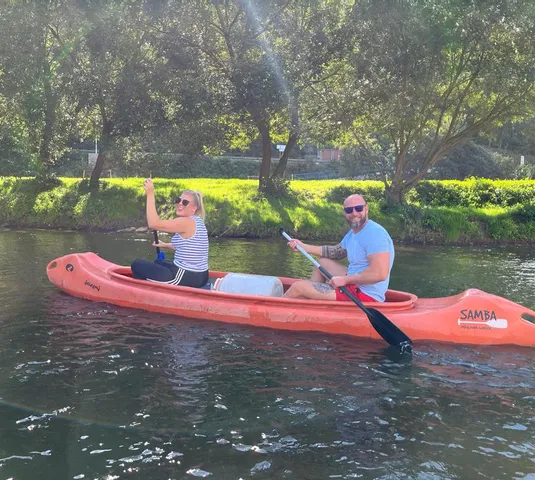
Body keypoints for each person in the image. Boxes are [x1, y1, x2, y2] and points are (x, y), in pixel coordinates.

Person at [284, 194, 394, 302]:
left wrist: (345, 280)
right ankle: (312, 303)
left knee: (298, 287)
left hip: (365, 294)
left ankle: (274, 309)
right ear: (345, 213)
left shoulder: (375, 234)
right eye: (349, 210)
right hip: (355, 283)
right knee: (322, 263)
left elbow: (379, 274)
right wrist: (303, 246)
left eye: (358, 208)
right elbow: (335, 252)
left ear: (366, 209)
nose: (354, 213)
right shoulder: (353, 234)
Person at [131, 178, 209, 288]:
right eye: (178, 200)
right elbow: (189, 249)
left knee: (137, 264)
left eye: (185, 202)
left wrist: (150, 193)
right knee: (158, 262)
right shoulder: (198, 221)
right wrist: (165, 245)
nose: (180, 204)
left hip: (187, 276)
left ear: (194, 208)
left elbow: (153, 223)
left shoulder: (185, 222)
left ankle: (145, 293)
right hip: (201, 276)